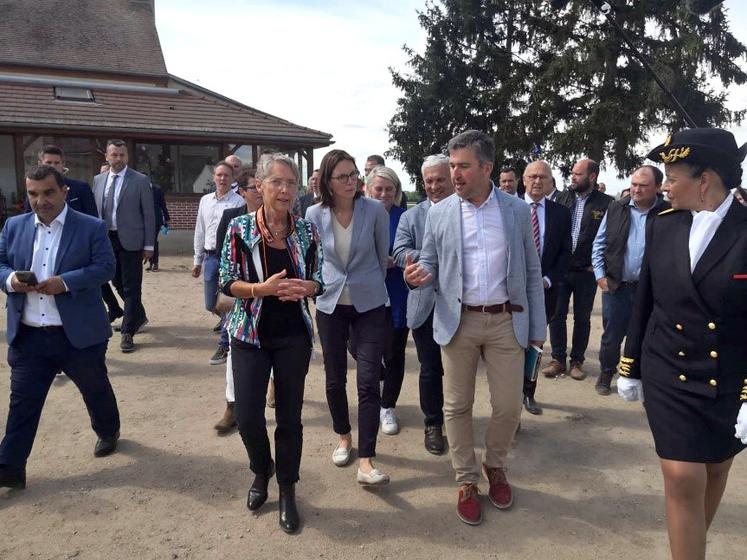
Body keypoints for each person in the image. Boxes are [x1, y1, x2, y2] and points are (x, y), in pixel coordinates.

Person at [617, 128, 747, 560]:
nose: (665, 186)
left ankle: (690, 544)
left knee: (715, 468)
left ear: (705, 179)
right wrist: (629, 363)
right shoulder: (664, 224)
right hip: (667, 368)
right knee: (681, 475)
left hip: (728, 374)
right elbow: (645, 298)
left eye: (673, 177)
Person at [404, 130, 545, 526]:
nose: (455, 174)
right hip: (458, 319)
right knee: (457, 405)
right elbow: (429, 260)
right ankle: (466, 479)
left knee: (508, 406)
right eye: (452, 166)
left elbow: (532, 272)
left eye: (463, 166)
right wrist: (419, 275)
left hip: (506, 320)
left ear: (487, 167)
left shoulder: (517, 211)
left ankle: (495, 465)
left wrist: (537, 328)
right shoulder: (440, 211)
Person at [220, 152, 322, 534]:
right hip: (249, 333)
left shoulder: (307, 231)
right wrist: (260, 290)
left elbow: (321, 276)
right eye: (277, 182)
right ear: (259, 186)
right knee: (247, 417)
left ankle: (288, 489)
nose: (285, 190)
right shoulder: (239, 228)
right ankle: (262, 471)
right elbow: (226, 282)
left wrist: (309, 286)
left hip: (293, 336)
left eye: (291, 183)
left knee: (289, 420)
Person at [0, 166, 120, 489]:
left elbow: (106, 267)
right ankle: (9, 468)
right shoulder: (14, 226)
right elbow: (1, 264)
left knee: (96, 391)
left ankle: (108, 430)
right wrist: (11, 280)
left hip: (77, 337)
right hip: (30, 337)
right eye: (33, 194)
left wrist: (65, 283)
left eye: (48, 192)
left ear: (64, 191)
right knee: (22, 404)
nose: (41, 201)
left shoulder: (91, 227)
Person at [305, 149, 390, 486]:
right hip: (330, 304)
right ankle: (344, 436)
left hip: (369, 303)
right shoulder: (313, 214)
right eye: (342, 176)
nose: (351, 181)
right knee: (334, 377)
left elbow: (382, 256)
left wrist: (368, 286)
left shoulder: (375, 211)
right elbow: (313, 259)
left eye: (354, 174)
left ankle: (367, 460)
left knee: (368, 380)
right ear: (327, 181)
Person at [393, 154, 454, 454]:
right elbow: (399, 252)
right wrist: (433, 256)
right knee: (430, 368)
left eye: (440, 179)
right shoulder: (411, 217)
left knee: (460, 370)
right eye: (429, 181)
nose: (434, 186)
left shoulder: (465, 212)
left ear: (453, 178)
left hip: (461, 305)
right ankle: (433, 423)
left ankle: (459, 423)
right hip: (425, 304)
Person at [591, 165, 669, 395]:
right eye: (634, 184)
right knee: (611, 336)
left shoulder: (669, 212)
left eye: (643, 186)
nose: (636, 189)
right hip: (617, 287)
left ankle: (640, 375)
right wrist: (600, 276)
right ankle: (606, 372)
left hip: (651, 290)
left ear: (657, 187)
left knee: (646, 335)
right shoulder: (617, 208)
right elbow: (599, 243)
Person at [543, 159, 613, 379]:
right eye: (572, 173)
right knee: (557, 315)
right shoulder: (561, 199)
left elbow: (612, 237)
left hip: (586, 271)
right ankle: (557, 359)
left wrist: (601, 265)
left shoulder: (607, 204)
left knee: (582, 318)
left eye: (578, 174)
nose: (573, 177)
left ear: (592, 177)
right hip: (562, 269)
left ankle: (577, 361)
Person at [93, 139, 155, 353]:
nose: (118, 158)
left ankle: (128, 331)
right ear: (107, 157)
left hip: (131, 240)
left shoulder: (139, 180)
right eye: (114, 155)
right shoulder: (98, 180)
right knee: (115, 280)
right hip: (106, 239)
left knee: (131, 286)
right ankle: (138, 315)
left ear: (127, 157)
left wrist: (149, 245)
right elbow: (96, 213)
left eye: (122, 155)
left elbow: (149, 215)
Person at [212, 167, 263, 434]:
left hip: (274, 302)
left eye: (262, 185)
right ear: (242, 192)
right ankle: (232, 407)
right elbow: (225, 263)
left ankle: (273, 388)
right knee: (234, 353)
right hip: (241, 301)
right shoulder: (232, 219)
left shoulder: (287, 219)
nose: (260, 191)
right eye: (254, 187)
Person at [521, 161, 572, 415]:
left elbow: (565, 253)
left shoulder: (561, 214)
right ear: (524, 180)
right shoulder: (509, 209)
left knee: (535, 344)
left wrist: (549, 280)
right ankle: (510, 397)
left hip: (545, 291)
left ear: (551, 182)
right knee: (510, 345)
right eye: (532, 176)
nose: (537, 181)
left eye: (543, 177)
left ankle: (529, 392)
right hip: (511, 293)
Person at [364, 166, 408, 435]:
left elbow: (418, 251)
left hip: (396, 294)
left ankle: (387, 405)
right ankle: (378, 380)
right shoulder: (357, 216)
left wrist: (398, 260)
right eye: (378, 189)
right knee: (358, 348)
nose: (383, 194)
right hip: (363, 296)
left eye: (389, 189)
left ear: (396, 192)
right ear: (368, 190)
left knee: (394, 354)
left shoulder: (405, 217)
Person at [192, 161, 245, 366]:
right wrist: (197, 259)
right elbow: (200, 230)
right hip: (210, 256)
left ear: (232, 179)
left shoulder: (238, 202)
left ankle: (225, 343)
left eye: (226, 176)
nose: (222, 179)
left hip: (229, 257)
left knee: (226, 300)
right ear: (214, 177)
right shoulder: (205, 201)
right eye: (219, 175)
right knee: (210, 303)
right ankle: (228, 323)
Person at [23, 145, 98, 217]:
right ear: (40, 164)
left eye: (56, 163)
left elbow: (92, 217)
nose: (53, 166)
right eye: (48, 163)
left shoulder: (81, 188)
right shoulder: (34, 189)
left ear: (63, 164)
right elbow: (28, 216)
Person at [147, 183, 170, 272]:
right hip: (144, 220)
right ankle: (150, 262)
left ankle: (155, 263)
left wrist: (167, 218)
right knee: (148, 241)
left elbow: (163, 204)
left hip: (156, 220)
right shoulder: (140, 188)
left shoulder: (157, 190)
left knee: (153, 240)